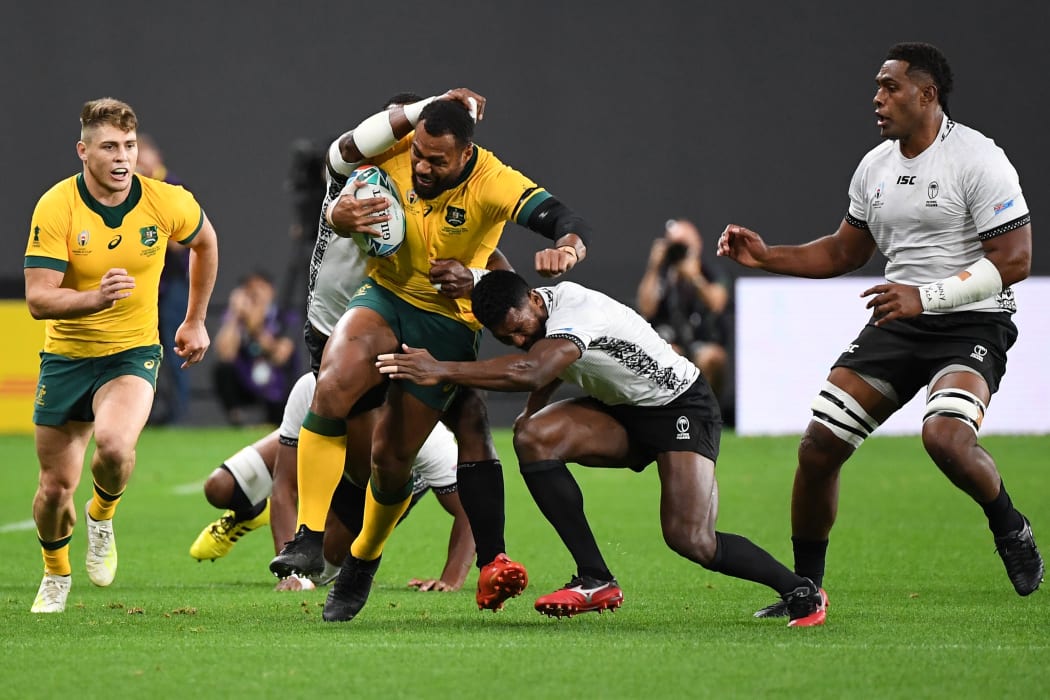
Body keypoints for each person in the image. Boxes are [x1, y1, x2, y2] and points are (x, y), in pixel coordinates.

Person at [716, 42, 1043, 617]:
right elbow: (845, 250)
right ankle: (805, 589)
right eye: (878, 86)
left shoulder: (978, 158)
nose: (878, 97)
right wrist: (768, 257)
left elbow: (1014, 259)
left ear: (927, 93)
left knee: (944, 437)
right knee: (819, 448)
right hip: (901, 320)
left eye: (890, 86)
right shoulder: (877, 165)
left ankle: (1008, 524)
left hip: (973, 319)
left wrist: (929, 295)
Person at [270, 87, 592, 624]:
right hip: (386, 295)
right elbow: (346, 151)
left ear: (466, 154)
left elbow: (564, 217)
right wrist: (340, 213)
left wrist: (569, 247)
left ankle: (362, 562)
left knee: (391, 463)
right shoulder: (392, 150)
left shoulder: (495, 182)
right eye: (417, 153)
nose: (419, 166)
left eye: (435, 160)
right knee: (332, 383)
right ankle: (308, 535)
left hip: (446, 321)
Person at [376, 270, 828, 626]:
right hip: (623, 411)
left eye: (518, 328)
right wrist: (532, 410)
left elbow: (535, 368)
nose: (517, 340)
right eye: (505, 337)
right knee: (533, 436)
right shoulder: (538, 320)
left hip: (680, 408)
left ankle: (800, 592)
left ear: (535, 299)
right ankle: (595, 578)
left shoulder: (575, 309)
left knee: (690, 539)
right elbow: (540, 362)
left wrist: (440, 369)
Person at [23, 97, 219, 613]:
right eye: (109, 146)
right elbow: (39, 298)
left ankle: (103, 516)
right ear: (83, 150)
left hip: (131, 353)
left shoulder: (164, 200)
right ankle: (56, 573)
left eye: (129, 146)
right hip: (66, 358)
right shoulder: (57, 206)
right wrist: (93, 297)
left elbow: (206, 242)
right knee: (53, 491)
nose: (122, 157)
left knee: (113, 445)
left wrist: (195, 320)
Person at [189, 371, 475, 592]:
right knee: (220, 487)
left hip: (375, 484)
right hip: (315, 449)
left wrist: (450, 580)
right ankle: (253, 513)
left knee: (323, 566)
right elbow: (285, 486)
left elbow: (469, 511)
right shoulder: (312, 388)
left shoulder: (424, 437)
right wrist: (292, 572)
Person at [636, 218, 730, 402]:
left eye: (683, 245)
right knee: (667, 354)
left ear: (697, 244)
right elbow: (645, 307)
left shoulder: (710, 271)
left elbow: (717, 303)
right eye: (674, 245)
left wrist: (694, 277)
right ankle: (671, 416)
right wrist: (653, 267)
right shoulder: (661, 273)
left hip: (702, 341)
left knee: (712, 357)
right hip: (670, 341)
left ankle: (706, 411)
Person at [136, 133, 192, 425]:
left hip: (174, 283)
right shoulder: (135, 190)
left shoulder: (170, 188)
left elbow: (183, 241)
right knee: (146, 349)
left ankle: (179, 414)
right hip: (150, 285)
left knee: (173, 349)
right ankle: (151, 411)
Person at [212, 271, 298, 425]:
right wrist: (234, 315)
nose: (255, 294)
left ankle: (275, 423)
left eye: (260, 288)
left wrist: (255, 327)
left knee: (281, 377)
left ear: (271, 291)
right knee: (222, 370)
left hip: (276, 381)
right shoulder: (237, 318)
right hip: (246, 380)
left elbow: (280, 356)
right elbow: (225, 353)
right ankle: (237, 420)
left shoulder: (284, 316)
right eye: (250, 289)